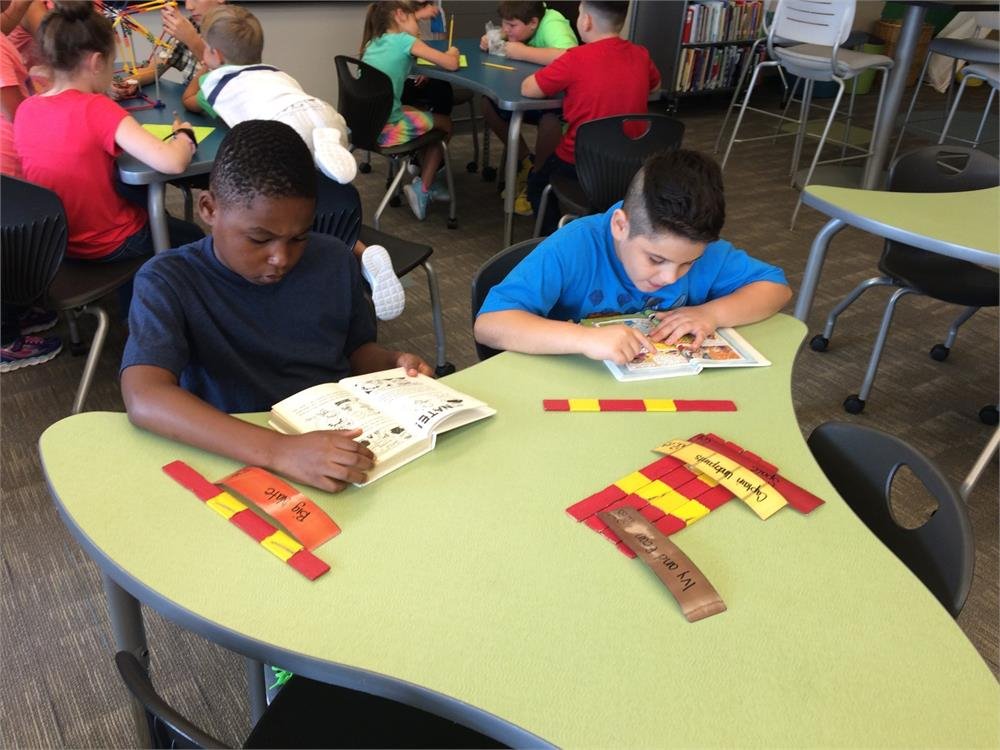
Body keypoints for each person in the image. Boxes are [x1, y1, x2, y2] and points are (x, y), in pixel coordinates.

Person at [121, 120, 434, 493]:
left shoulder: (333, 258)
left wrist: (392, 363)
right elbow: (144, 397)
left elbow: (355, 351)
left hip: (330, 440)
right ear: (208, 209)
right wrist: (279, 451)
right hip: (235, 448)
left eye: (298, 237)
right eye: (260, 238)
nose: (280, 258)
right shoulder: (168, 280)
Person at [183, 4, 406, 321]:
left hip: (284, 133)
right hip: (322, 115)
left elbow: (189, 101)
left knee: (280, 208)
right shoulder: (275, 72)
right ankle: (362, 248)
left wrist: (204, 70)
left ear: (215, 53)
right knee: (316, 194)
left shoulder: (218, 81)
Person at [474, 149, 792, 364]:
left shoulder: (698, 245)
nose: (670, 277)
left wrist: (711, 314)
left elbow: (776, 288)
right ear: (620, 225)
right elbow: (491, 325)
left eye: (688, 264)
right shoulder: (575, 246)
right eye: (655, 260)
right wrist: (584, 340)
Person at [13, 2, 202, 265]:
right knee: (193, 235)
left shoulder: (25, 109)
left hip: (54, 247)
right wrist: (184, 135)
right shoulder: (98, 108)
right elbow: (173, 161)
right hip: (108, 243)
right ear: (97, 62)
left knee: (137, 197)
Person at [521, 1, 660, 234]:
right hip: (632, 164)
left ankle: (554, 241)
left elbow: (529, 89)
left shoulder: (574, 58)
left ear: (586, 21)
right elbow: (656, 86)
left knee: (536, 184)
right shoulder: (641, 54)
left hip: (581, 163)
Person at [360, 0, 460, 221]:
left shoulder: (372, 43)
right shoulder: (405, 41)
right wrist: (452, 51)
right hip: (387, 131)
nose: (418, 25)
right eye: (415, 19)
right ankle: (422, 188)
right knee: (445, 125)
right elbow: (450, 64)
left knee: (411, 109)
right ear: (400, 15)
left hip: (365, 125)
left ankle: (423, 173)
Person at [478, 1, 578, 215]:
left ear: (533, 23)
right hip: (529, 90)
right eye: (503, 24)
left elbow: (572, 57)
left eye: (511, 26)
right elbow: (511, 34)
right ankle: (526, 161)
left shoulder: (553, 24)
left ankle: (538, 178)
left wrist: (522, 52)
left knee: (550, 121)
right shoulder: (523, 19)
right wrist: (495, 39)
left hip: (558, 101)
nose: (506, 30)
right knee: (488, 104)